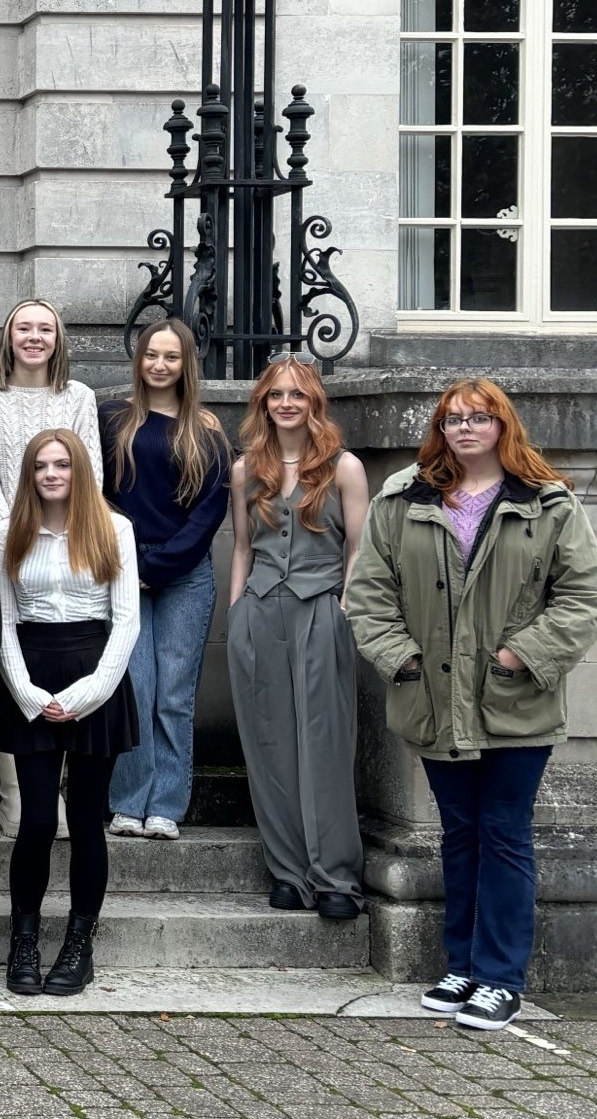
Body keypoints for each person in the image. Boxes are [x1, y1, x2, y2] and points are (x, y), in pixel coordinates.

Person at [347, 378, 597, 1032]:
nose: (465, 428)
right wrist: (404, 658)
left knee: (505, 833)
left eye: (479, 417)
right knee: (460, 834)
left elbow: (588, 596)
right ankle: (461, 964)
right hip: (435, 700)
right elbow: (367, 591)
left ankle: (501, 977)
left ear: (502, 426)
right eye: (454, 418)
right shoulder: (403, 498)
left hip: (517, 705)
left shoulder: (547, 503)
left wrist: (522, 653)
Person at [0, 428, 140, 997]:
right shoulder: (7, 533)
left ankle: (80, 944)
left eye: (62, 465)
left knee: (84, 819)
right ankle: (23, 940)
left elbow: (126, 620)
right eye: (41, 467)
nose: (52, 474)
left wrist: (87, 693)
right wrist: (27, 694)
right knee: (35, 820)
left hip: (94, 676)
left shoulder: (113, 528)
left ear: (79, 471)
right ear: (29, 475)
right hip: (29, 672)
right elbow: (3, 619)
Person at [226, 357, 368, 920]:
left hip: (321, 610)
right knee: (269, 746)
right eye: (276, 395)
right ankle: (288, 872)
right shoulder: (245, 470)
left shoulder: (344, 467)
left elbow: (359, 548)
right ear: (263, 403)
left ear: (314, 403)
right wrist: (236, 616)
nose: (287, 404)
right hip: (259, 613)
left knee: (325, 747)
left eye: (298, 395)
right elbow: (240, 548)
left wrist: (344, 609)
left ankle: (335, 877)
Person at [0, 297, 103, 840]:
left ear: (57, 340)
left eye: (45, 328)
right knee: (10, 658)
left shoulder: (80, 397)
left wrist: (66, 541)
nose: (34, 337)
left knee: (64, 656)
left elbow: (87, 471)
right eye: (24, 327)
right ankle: (14, 795)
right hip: (8, 545)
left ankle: (60, 793)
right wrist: (16, 542)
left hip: (73, 547)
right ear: (9, 336)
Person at [100, 317, 229, 842]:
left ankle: (167, 805)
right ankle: (128, 801)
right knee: (134, 685)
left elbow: (209, 511)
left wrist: (159, 567)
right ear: (140, 359)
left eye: (171, 357)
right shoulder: (113, 420)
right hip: (122, 565)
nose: (159, 365)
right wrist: (131, 560)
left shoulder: (207, 431)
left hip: (186, 573)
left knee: (174, 692)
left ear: (186, 364)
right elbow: (98, 496)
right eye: (152, 354)